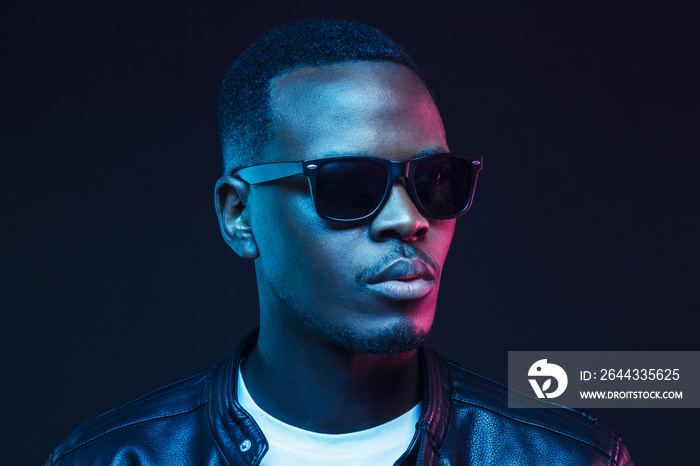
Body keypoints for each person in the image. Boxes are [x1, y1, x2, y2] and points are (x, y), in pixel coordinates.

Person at [47, 18, 633, 465]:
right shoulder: (117, 458)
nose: (408, 221)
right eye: (350, 186)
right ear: (239, 215)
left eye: (435, 182)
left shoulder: (566, 457)